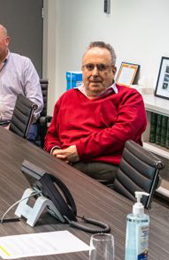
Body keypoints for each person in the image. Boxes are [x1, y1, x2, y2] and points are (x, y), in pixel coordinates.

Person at [43, 41, 146, 186]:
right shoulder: (67, 98)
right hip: (67, 162)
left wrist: (78, 151)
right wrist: (55, 151)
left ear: (113, 71)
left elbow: (122, 133)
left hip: (105, 166)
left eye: (102, 67)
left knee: (56, 185)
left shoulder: (130, 97)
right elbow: (52, 134)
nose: (95, 73)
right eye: (90, 67)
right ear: (83, 70)